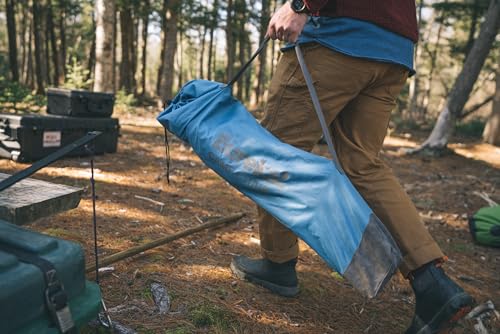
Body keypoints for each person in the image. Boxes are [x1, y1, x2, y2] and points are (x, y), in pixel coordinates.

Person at [229, 0, 475, 333]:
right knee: (363, 165)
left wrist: (301, 5)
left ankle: (278, 264)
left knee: (272, 153)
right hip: (393, 49)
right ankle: (433, 282)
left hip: (335, 37)